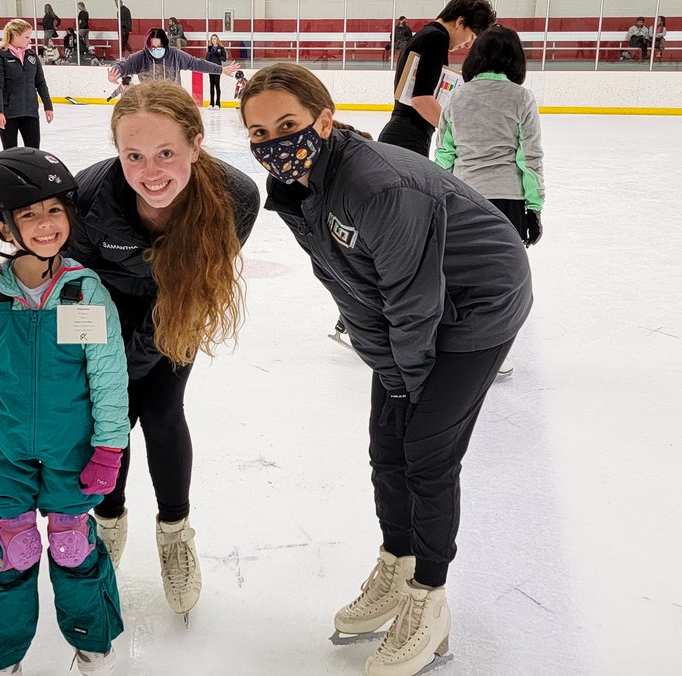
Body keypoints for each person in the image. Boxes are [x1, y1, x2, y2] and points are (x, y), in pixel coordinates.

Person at [240, 63, 531, 676]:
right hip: (417, 303)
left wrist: (411, 381)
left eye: (288, 124)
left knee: (426, 449)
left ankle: (429, 596)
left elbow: (411, 302)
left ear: (324, 119)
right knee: (385, 441)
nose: (274, 142)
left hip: (479, 300)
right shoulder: (297, 188)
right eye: (260, 132)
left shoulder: (377, 187)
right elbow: (349, 288)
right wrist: (391, 373)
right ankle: (397, 562)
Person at [66, 80, 259, 619]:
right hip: (99, 318)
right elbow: (73, 292)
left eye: (167, 152)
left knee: (161, 409)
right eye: (134, 156)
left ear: (196, 144)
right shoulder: (88, 198)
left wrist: (137, 359)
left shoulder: (235, 198)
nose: (151, 171)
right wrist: (103, 366)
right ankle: (106, 525)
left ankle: (175, 534)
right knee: (108, 419)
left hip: (176, 309)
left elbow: (195, 289)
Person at [0, 147, 129, 676]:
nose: (47, 224)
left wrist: (109, 446)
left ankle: (92, 646)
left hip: (71, 449)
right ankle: (3, 658)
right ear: (2, 227)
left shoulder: (82, 295)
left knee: (73, 546)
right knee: (16, 549)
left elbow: (108, 377)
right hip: (2, 450)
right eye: (29, 213)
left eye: (55, 209)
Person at [433, 24, 542, 377]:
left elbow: (445, 153)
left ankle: (453, 345)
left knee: (462, 275)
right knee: (504, 282)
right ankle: (494, 355)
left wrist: (439, 198)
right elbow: (529, 157)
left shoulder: (458, 97)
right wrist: (534, 207)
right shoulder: (521, 98)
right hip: (508, 201)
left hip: (463, 198)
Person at [379, 0, 495, 157]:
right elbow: (421, 99)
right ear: (460, 22)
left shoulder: (427, 34)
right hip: (407, 140)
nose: (468, 46)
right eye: (472, 37)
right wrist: (459, 134)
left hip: (403, 136)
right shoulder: (437, 38)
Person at [0, 19, 54, 149]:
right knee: (10, 153)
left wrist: (48, 106)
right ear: (14, 35)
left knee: (33, 152)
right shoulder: (0, 56)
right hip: (9, 114)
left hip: (30, 112)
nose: (29, 40)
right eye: (26, 37)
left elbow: (40, 83)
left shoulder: (31, 56)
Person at [108, 28, 240, 86]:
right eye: (152, 47)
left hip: (173, 102)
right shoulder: (141, 57)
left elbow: (197, 63)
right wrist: (116, 72)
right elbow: (124, 65)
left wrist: (221, 70)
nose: (156, 50)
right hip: (149, 102)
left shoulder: (175, 55)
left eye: (159, 47)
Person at [205, 34, 227, 108]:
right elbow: (207, 59)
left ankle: (218, 103)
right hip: (211, 68)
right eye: (212, 39)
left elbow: (224, 59)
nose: (213, 40)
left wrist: (218, 55)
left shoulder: (221, 48)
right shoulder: (210, 48)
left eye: (215, 38)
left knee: (217, 85)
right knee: (211, 85)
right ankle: (211, 103)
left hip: (217, 68)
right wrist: (210, 53)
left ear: (217, 39)